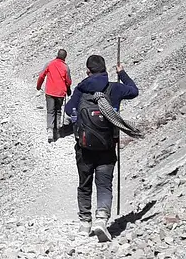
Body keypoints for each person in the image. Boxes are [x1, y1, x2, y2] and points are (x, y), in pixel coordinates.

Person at [64, 54, 138, 241]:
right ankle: (101, 218)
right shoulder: (115, 88)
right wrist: (122, 74)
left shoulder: (82, 89)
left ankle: (84, 223)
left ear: (88, 70)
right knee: (104, 184)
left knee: (84, 183)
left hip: (84, 147)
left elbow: (68, 109)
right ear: (104, 69)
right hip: (107, 146)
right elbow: (134, 91)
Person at [35, 49, 72, 142]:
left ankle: (50, 131)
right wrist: (68, 90)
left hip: (50, 92)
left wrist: (38, 86)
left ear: (57, 55)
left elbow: (41, 76)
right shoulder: (65, 67)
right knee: (58, 111)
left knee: (50, 111)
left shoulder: (49, 64)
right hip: (60, 93)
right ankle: (58, 130)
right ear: (65, 57)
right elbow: (68, 81)